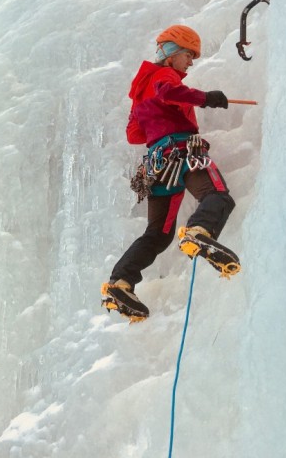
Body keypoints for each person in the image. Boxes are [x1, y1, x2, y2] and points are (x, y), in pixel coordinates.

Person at [101, 25, 238, 321]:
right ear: (172, 54)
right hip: (181, 151)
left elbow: (134, 135)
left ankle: (121, 282)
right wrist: (206, 98)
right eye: (188, 55)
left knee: (158, 234)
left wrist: (156, 119)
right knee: (218, 196)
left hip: (157, 165)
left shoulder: (140, 92)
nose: (190, 62)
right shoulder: (164, 75)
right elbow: (169, 91)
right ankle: (199, 231)